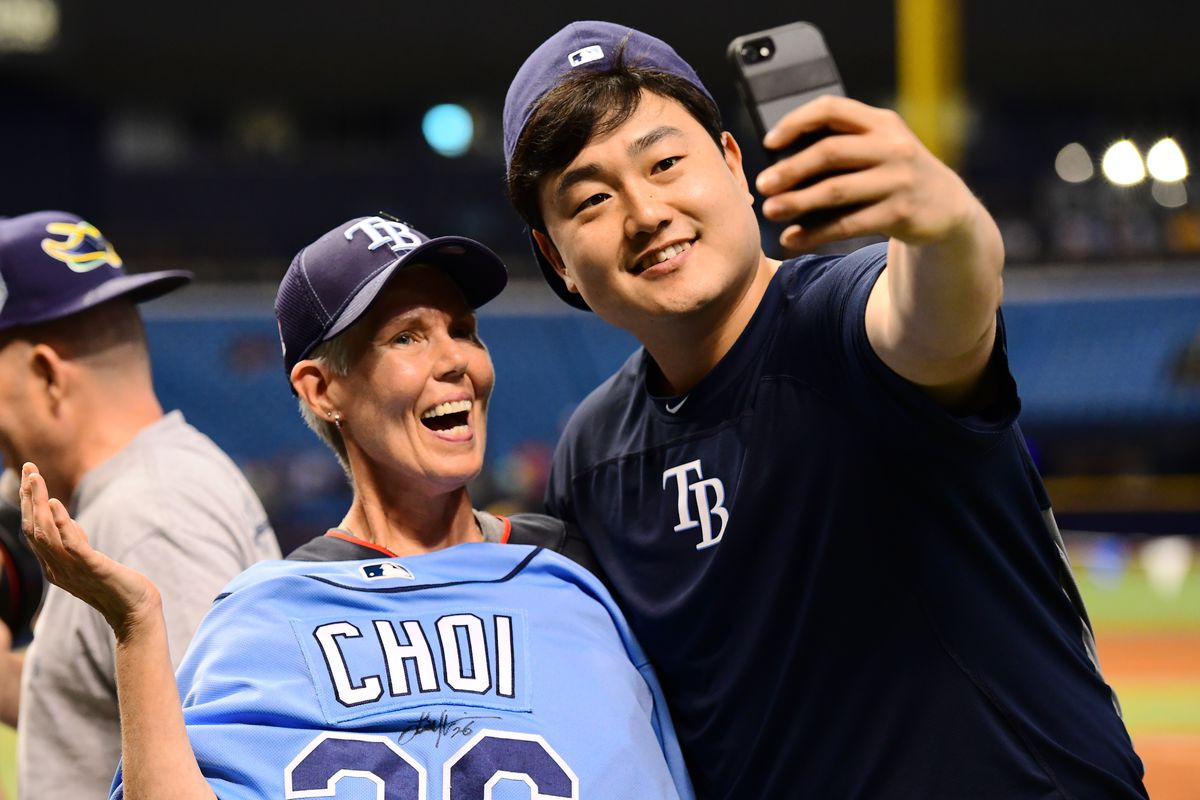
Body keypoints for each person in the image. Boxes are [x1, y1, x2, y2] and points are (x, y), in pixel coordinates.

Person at [502, 21, 1148, 799]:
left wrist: (946, 225)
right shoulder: (593, 453)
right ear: (556, 259)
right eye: (592, 200)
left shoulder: (841, 318)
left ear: (734, 164)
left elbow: (937, 317)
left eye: (665, 163)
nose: (645, 212)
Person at [19, 214, 694, 798]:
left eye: (463, 329)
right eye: (406, 337)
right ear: (321, 390)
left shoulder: (580, 566)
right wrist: (136, 628)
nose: (455, 361)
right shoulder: (266, 619)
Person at [0, 211, 281, 799]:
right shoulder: (141, 492)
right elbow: (113, 718)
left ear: (47, 375)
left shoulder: (153, 516)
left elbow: (206, 775)